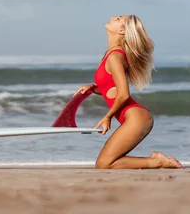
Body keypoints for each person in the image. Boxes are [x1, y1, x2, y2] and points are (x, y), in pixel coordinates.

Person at [75, 15, 182, 169]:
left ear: (122, 31)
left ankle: (158, 161)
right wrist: (93, 88)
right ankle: (156, 160)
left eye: (118, 19)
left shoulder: (115, 56)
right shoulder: (110, 54)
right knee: (104, 164)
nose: (112, 17)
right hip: (134, 118)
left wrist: (108, 117)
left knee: (103, 164)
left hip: (136, 119)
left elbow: (123, 94)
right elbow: (111, 89)